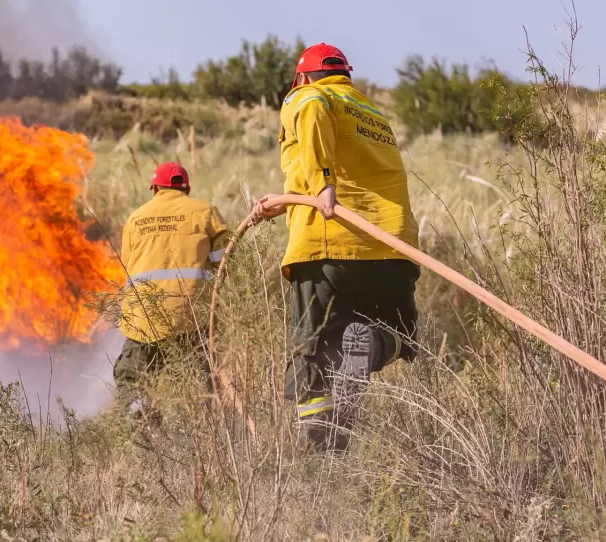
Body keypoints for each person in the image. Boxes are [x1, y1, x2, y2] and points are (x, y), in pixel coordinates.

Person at [255, 43, 421, 452]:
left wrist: (324, 183)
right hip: (391, 248)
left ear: (304, 76)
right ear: (345, 74)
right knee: (400, 334)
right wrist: (283, 201)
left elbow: (311, 122)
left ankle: (322, 454)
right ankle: (370, 346)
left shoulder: (310, 95)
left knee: (310, 352)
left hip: (327, 246)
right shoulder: (370, 112)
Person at [113, 162, 230, 423]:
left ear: (154, 188)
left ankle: (141, 416)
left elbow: (128, 267)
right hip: (190, 316)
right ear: (186, 188)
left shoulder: (135, 218)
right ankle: (197, 428)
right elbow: (226, 263)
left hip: (144, 318)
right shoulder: (205, 212)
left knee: (130, 376)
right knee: (197, 380)